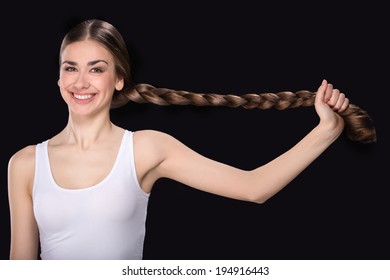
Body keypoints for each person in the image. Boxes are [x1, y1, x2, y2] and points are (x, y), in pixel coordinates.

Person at [7, 18, 353, 260]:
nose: (80, 82)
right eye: (71, 68)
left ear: (118, 80)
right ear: (58, 78)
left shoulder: (146, 149)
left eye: (96, 68)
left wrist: (327, 130)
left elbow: (254, 187)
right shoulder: (25, 164)